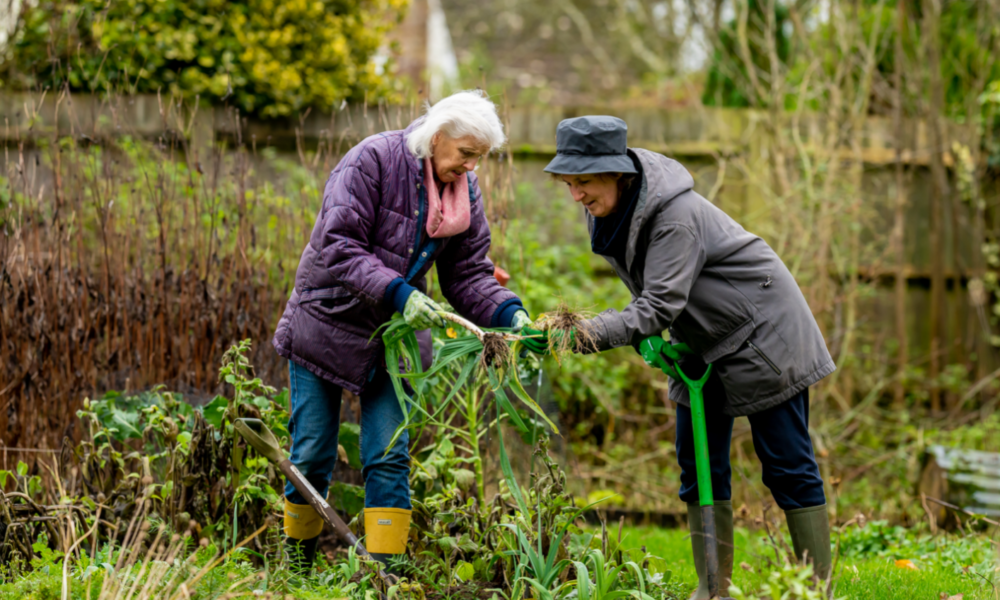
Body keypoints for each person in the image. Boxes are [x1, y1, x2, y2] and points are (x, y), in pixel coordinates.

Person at [525, 116, 835, 597]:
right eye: (568, 183)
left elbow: (658, 303)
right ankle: (712, 588)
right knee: (698, 464)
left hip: (765, 334)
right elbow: (654, 294)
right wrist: (646, 334)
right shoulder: (610, 211)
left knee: (786, 464)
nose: (575, 196)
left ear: (617, 173)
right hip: (702, 340)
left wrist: (585, 332)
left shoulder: (675, 216)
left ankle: (815, 589)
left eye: (583, 182)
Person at [272, 90, 532, 573]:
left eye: (479, 158)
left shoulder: (462, 191)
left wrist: (510, 313)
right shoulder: (372, 160)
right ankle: (297, 569)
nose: (471, 168)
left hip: (395, 336)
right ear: (437, 138)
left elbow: (468, 274)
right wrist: (400, 292)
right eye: (466, 154)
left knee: (388, 454)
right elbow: (338, 243)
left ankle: (383, 577)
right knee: (311, 452)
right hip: (327, 319)